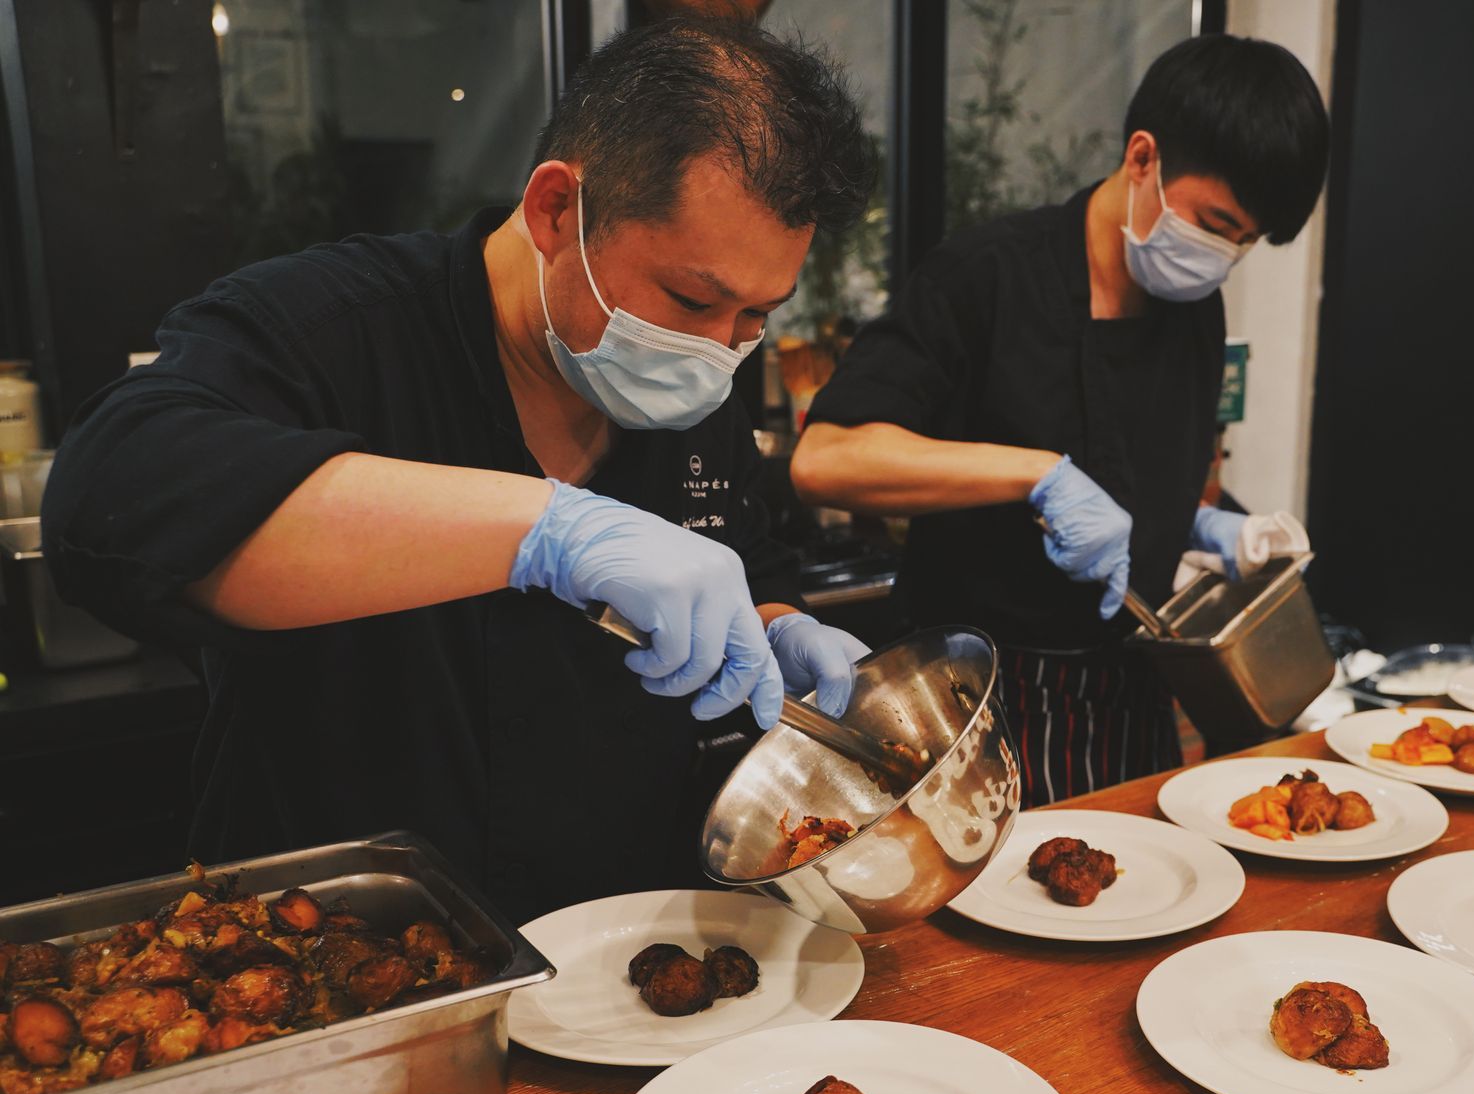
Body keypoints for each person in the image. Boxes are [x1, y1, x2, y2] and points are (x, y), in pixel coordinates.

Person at [41, 19, 877, 919]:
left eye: (758, 316)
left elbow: (744, 560)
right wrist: (548, 531)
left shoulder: (696, 392)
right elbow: (108, 500)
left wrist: (776, 627)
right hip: (346, 959)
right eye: (692, 298)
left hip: (630, 958)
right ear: (558, 209)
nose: (718, 350)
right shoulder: (337, 331)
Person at [789, 34, 1329, 803]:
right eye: (1215, 221)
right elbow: (827, 460)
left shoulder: (1193, 314)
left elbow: (1162, 472)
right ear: (1143, 157)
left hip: (1126, 701)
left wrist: (1213, 532)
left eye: (1245, 242)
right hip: (972, 698)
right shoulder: (987, 275)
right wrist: (1036, 474)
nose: (1222, 254)